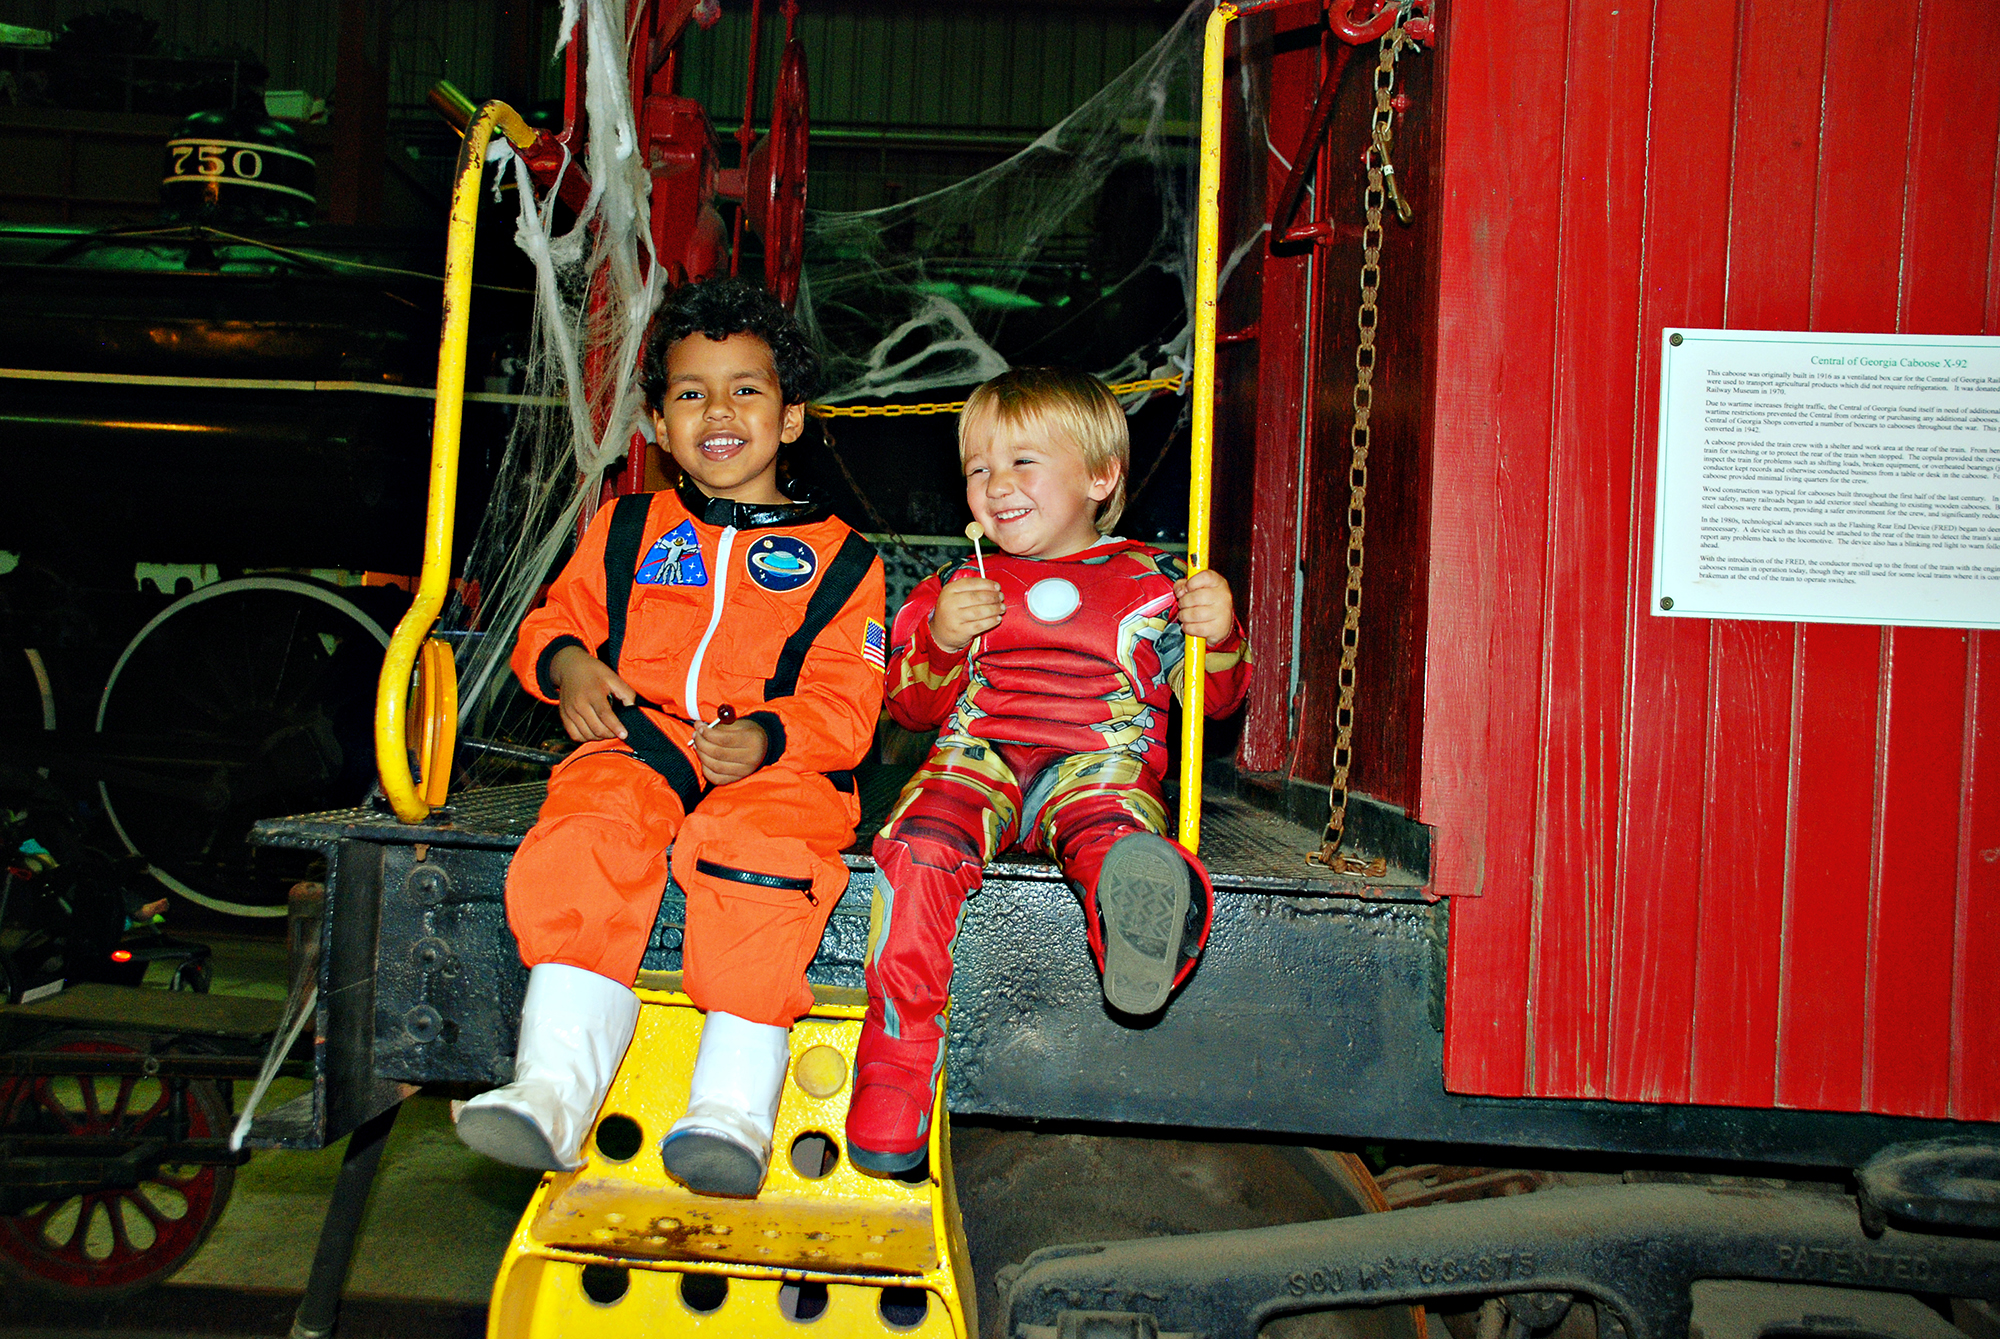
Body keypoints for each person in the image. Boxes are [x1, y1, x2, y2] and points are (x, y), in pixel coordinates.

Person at [456, 278, 886, 1199]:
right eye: (691, 393)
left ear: (793, 418)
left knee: (755, 858)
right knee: (587, 827)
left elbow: (850, 700)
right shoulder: (626, 530)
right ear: (655, 422)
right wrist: (569, 666)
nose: (718, 411)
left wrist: (771, 734)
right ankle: (553, 1089)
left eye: (746, 389)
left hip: (781, 769)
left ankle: (730, 1110)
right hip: (642, 741)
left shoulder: (846, 557)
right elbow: (552, 623)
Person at [844, 367, 1251, 1175]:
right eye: (978, 469)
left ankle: (1142, 918)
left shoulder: (1159, 585)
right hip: (978, 759)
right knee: (918, 845)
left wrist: (1222, 628)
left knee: (1113, 831)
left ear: (1101, 477)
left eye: (1022, 463)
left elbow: (1212, 699)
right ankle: (895, 1063)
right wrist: (941, 640)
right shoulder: (960, 582)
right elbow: (911, 706)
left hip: (1098, 760)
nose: (996, 486)